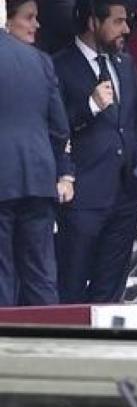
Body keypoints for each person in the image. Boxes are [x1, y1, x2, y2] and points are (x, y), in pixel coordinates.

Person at [52, 0, 137, 303]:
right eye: (119, 21)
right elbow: (54, 127)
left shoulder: (125, 63)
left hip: (125, 192)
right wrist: (90, 106)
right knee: (73, 281)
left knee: (111, 286)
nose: (127, 29)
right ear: (94, 22)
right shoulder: (59, 66)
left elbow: (134, 121)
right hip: (84, 193)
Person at [0, 25, 71, 306]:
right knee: (40, 273)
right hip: (39, 176)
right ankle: (48, 340)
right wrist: (59, 170)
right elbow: (59, 127)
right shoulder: (39, 59)